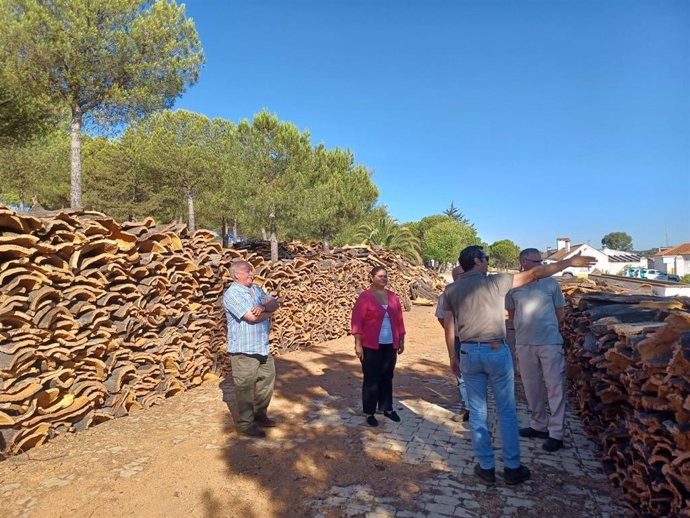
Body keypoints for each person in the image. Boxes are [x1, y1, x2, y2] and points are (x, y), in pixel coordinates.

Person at [443, 245, 595, 485]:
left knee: (478, 412)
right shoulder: (495, 282)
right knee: (506, 410)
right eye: (486, 258)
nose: (488, 262)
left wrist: (453, 356)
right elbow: (535, 274)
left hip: (468, 353)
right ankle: (512, 467)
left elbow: (449, 326)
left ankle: (486, 466)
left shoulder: (451, 289)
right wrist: (568, 263)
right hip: (495, 351)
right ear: (477, 261)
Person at [506, 248, 567, 452]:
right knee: (531, 386)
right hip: (524, 342)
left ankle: (556, 433)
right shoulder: (514, 286)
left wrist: (548, 328)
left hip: (549, 342)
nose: (542, 265)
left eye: (542, 261)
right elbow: (511, 312)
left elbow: (560, 311)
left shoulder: (551, 283)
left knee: (554, 387)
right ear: (523, 262)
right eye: (537, 261)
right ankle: (538, 425)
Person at [223, 260, 281, 438]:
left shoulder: (256, 289)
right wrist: (269, 312)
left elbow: (275, 303)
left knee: (267, 379)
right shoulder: (232, 294)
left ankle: (259, 414)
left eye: (251, 271)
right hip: (243, 349)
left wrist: (264, 307)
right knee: (245, 386)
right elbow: (251, 318)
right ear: (236, 275)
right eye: (246, 271)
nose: (251, 274)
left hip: (261, 346)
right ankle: (245, 424)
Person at [351, 266, 406, 427]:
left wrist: (401, 339)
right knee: (371, 378)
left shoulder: (393, 297)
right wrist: (358, 344)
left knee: (387, 376)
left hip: (390, 343)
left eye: (386, 276)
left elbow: (399, 320)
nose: (384, 278)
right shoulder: (365, 297)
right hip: (370, 345)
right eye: (380, 276)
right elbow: (357, 322)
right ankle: (369, 411)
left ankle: (386, 408)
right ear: (372, 277)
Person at [435, 265, 469, 421]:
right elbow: (441, 317)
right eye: (457, 275)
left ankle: (479, 407)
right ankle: (467, 407)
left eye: (463, 274)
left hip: (477, 340)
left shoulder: (477, 292)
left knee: (479, 374)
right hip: (458, 340)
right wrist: (451, 329)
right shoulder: (446, 295)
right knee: (460, 374)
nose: (460, 278)